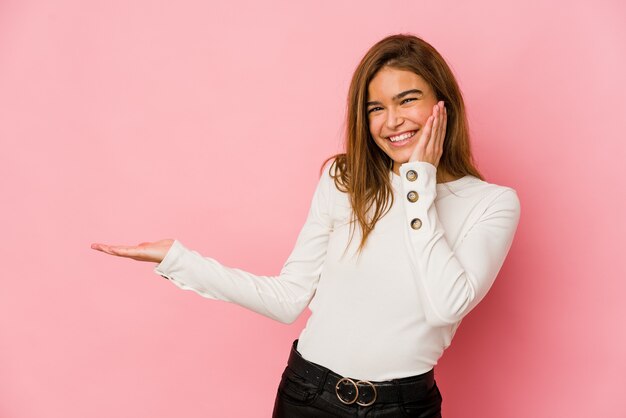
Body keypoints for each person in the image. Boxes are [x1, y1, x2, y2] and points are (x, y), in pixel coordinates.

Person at [91, 33, 521, 417]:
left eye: (407, 99)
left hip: (404, 408)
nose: (391, 121)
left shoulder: (492, 204)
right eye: (376, 107)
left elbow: (445, 306)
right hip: (308, 396)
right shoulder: (345, 179)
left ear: (442, 103)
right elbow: (288, 298)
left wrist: (419, 181)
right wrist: (178, 259)